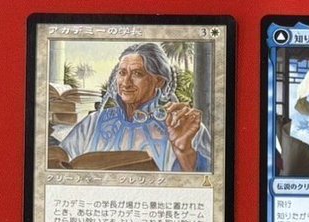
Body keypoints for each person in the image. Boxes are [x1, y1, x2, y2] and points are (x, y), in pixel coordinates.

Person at [59, 43, 210, 172]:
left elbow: (211, 182)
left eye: (137, 74)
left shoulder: (185, 126)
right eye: (122, 73)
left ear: (159, 81)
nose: (126, 83)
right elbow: (62, 159)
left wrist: (185, 152)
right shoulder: (93, 123)